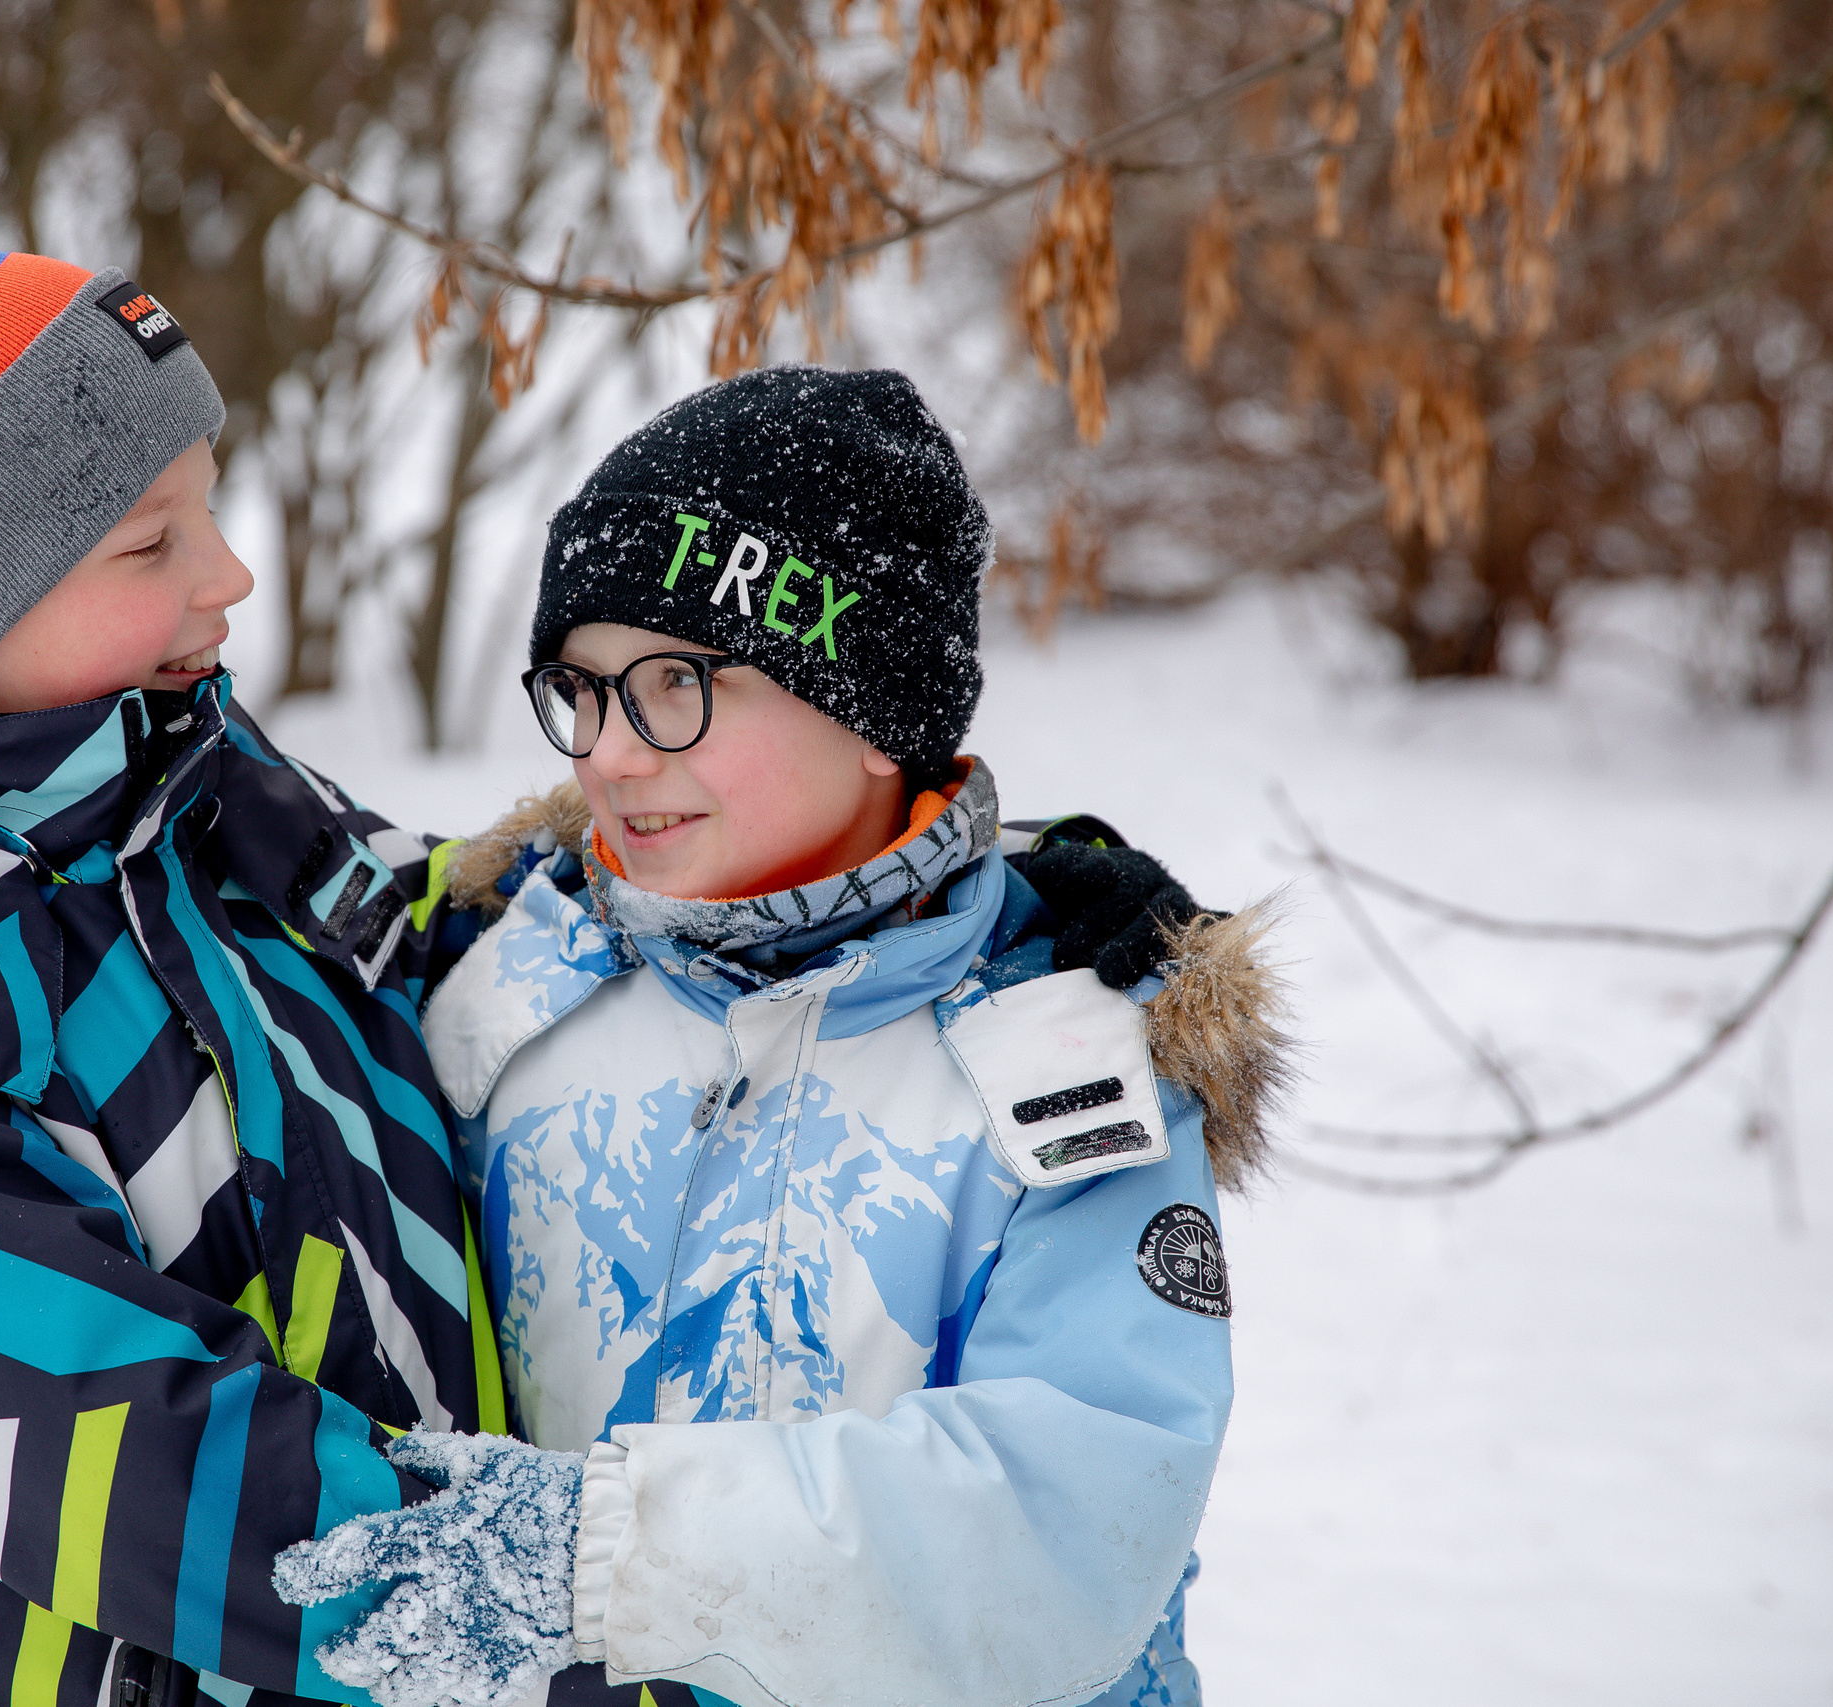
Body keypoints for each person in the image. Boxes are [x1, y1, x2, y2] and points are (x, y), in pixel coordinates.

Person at [0, 249, 1208, 1707]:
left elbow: (420, 919)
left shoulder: (187, 778)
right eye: (154, 542)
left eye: (209, 506)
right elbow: (118, 1452)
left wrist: (989, 898)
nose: (234, 573)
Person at [276, 367, 1292, 1707]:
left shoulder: (1061, 1076)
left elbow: (1072, 1518)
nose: (609, 756)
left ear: (880, 717)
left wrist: (598, 1556)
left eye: (676, 685)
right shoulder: (509, 990)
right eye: (580, 691)